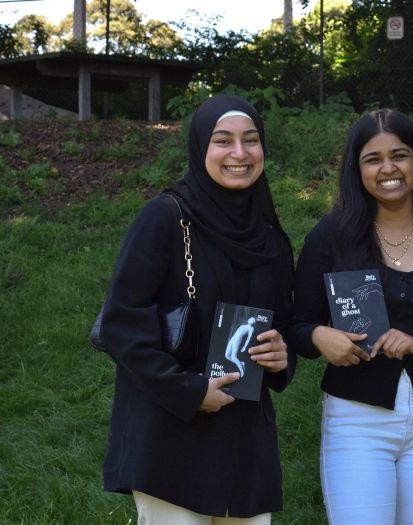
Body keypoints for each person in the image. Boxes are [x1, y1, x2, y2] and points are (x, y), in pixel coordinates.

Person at [289, 109, 413, 525]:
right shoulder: (330, 238)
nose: (388, 168)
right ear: (356, 168)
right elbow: (295, 324)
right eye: (373, 158)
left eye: (399, 155)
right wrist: (318, 337)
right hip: (356, 420)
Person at [100, 95, 295, 524]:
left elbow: (282, 326)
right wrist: (188, 392)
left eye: (251, 140)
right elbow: (120, 325)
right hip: (170, 439)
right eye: (222, 142)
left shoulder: (270, 238)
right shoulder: (165, 219)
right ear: (199, 148)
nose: (239, 154)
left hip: (245, 445)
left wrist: (281, 356)